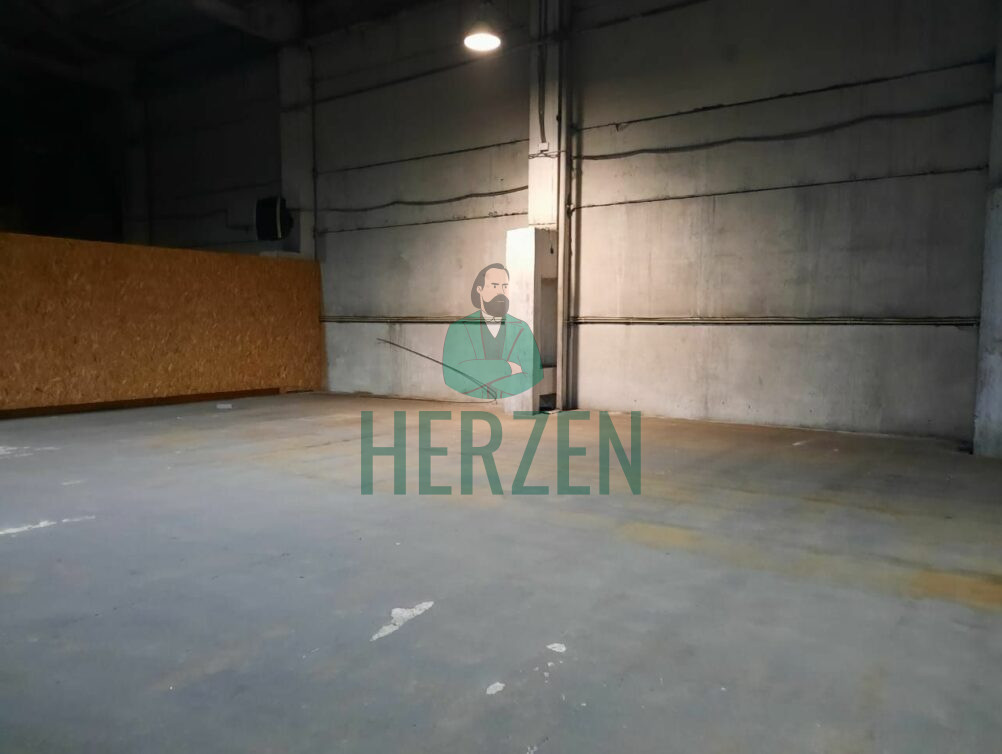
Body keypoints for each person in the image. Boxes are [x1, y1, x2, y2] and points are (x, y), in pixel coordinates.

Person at [442, 263, 542, 399]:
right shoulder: (459, 328)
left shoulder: (521, 328)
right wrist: (507, 367)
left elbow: (534, 374)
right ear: (480, 289)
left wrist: (480, 374)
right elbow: (452, 375)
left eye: (505, 286)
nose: (501, 292)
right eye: (494, 286)